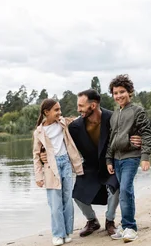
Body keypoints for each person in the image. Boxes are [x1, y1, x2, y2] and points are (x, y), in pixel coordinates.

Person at [39, 89, 141, 238]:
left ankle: (110, 221)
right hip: (90, 166)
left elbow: (128, 130)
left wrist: (138, 139)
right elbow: (55, 138)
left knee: (116, 187)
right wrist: (44, 154)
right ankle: (92, 221)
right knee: (77, 194)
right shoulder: (74, 127)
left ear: (93, 106)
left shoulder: (112, 118)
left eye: (81, 106)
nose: (78, 109)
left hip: (110, 164)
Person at [106, 74, 151, 243]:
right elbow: (111, 138)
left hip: (131, 157)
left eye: (122, 92)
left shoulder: (137, 111)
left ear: (130, 92)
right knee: (126, 191)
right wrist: (109, 160)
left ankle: (130, 228)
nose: (119, 95)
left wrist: (145, 156)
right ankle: (125, 226)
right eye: (115, 93)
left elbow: (146, 133)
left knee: (125, 189)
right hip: (117, 159)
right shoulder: (114, 115)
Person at [33, 99, 84, 246]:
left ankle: (68, 232)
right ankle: (57, 234)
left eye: (60, 109)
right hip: (51, 167)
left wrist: (85, 110)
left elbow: (77, 119)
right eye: (56, 110)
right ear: (46, 112)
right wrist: (39, 176)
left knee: (67, 200)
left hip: (66, 164)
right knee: (55, 203)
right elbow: (36, 155)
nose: (59, 112)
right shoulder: (39, 132)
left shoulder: (62, 123)